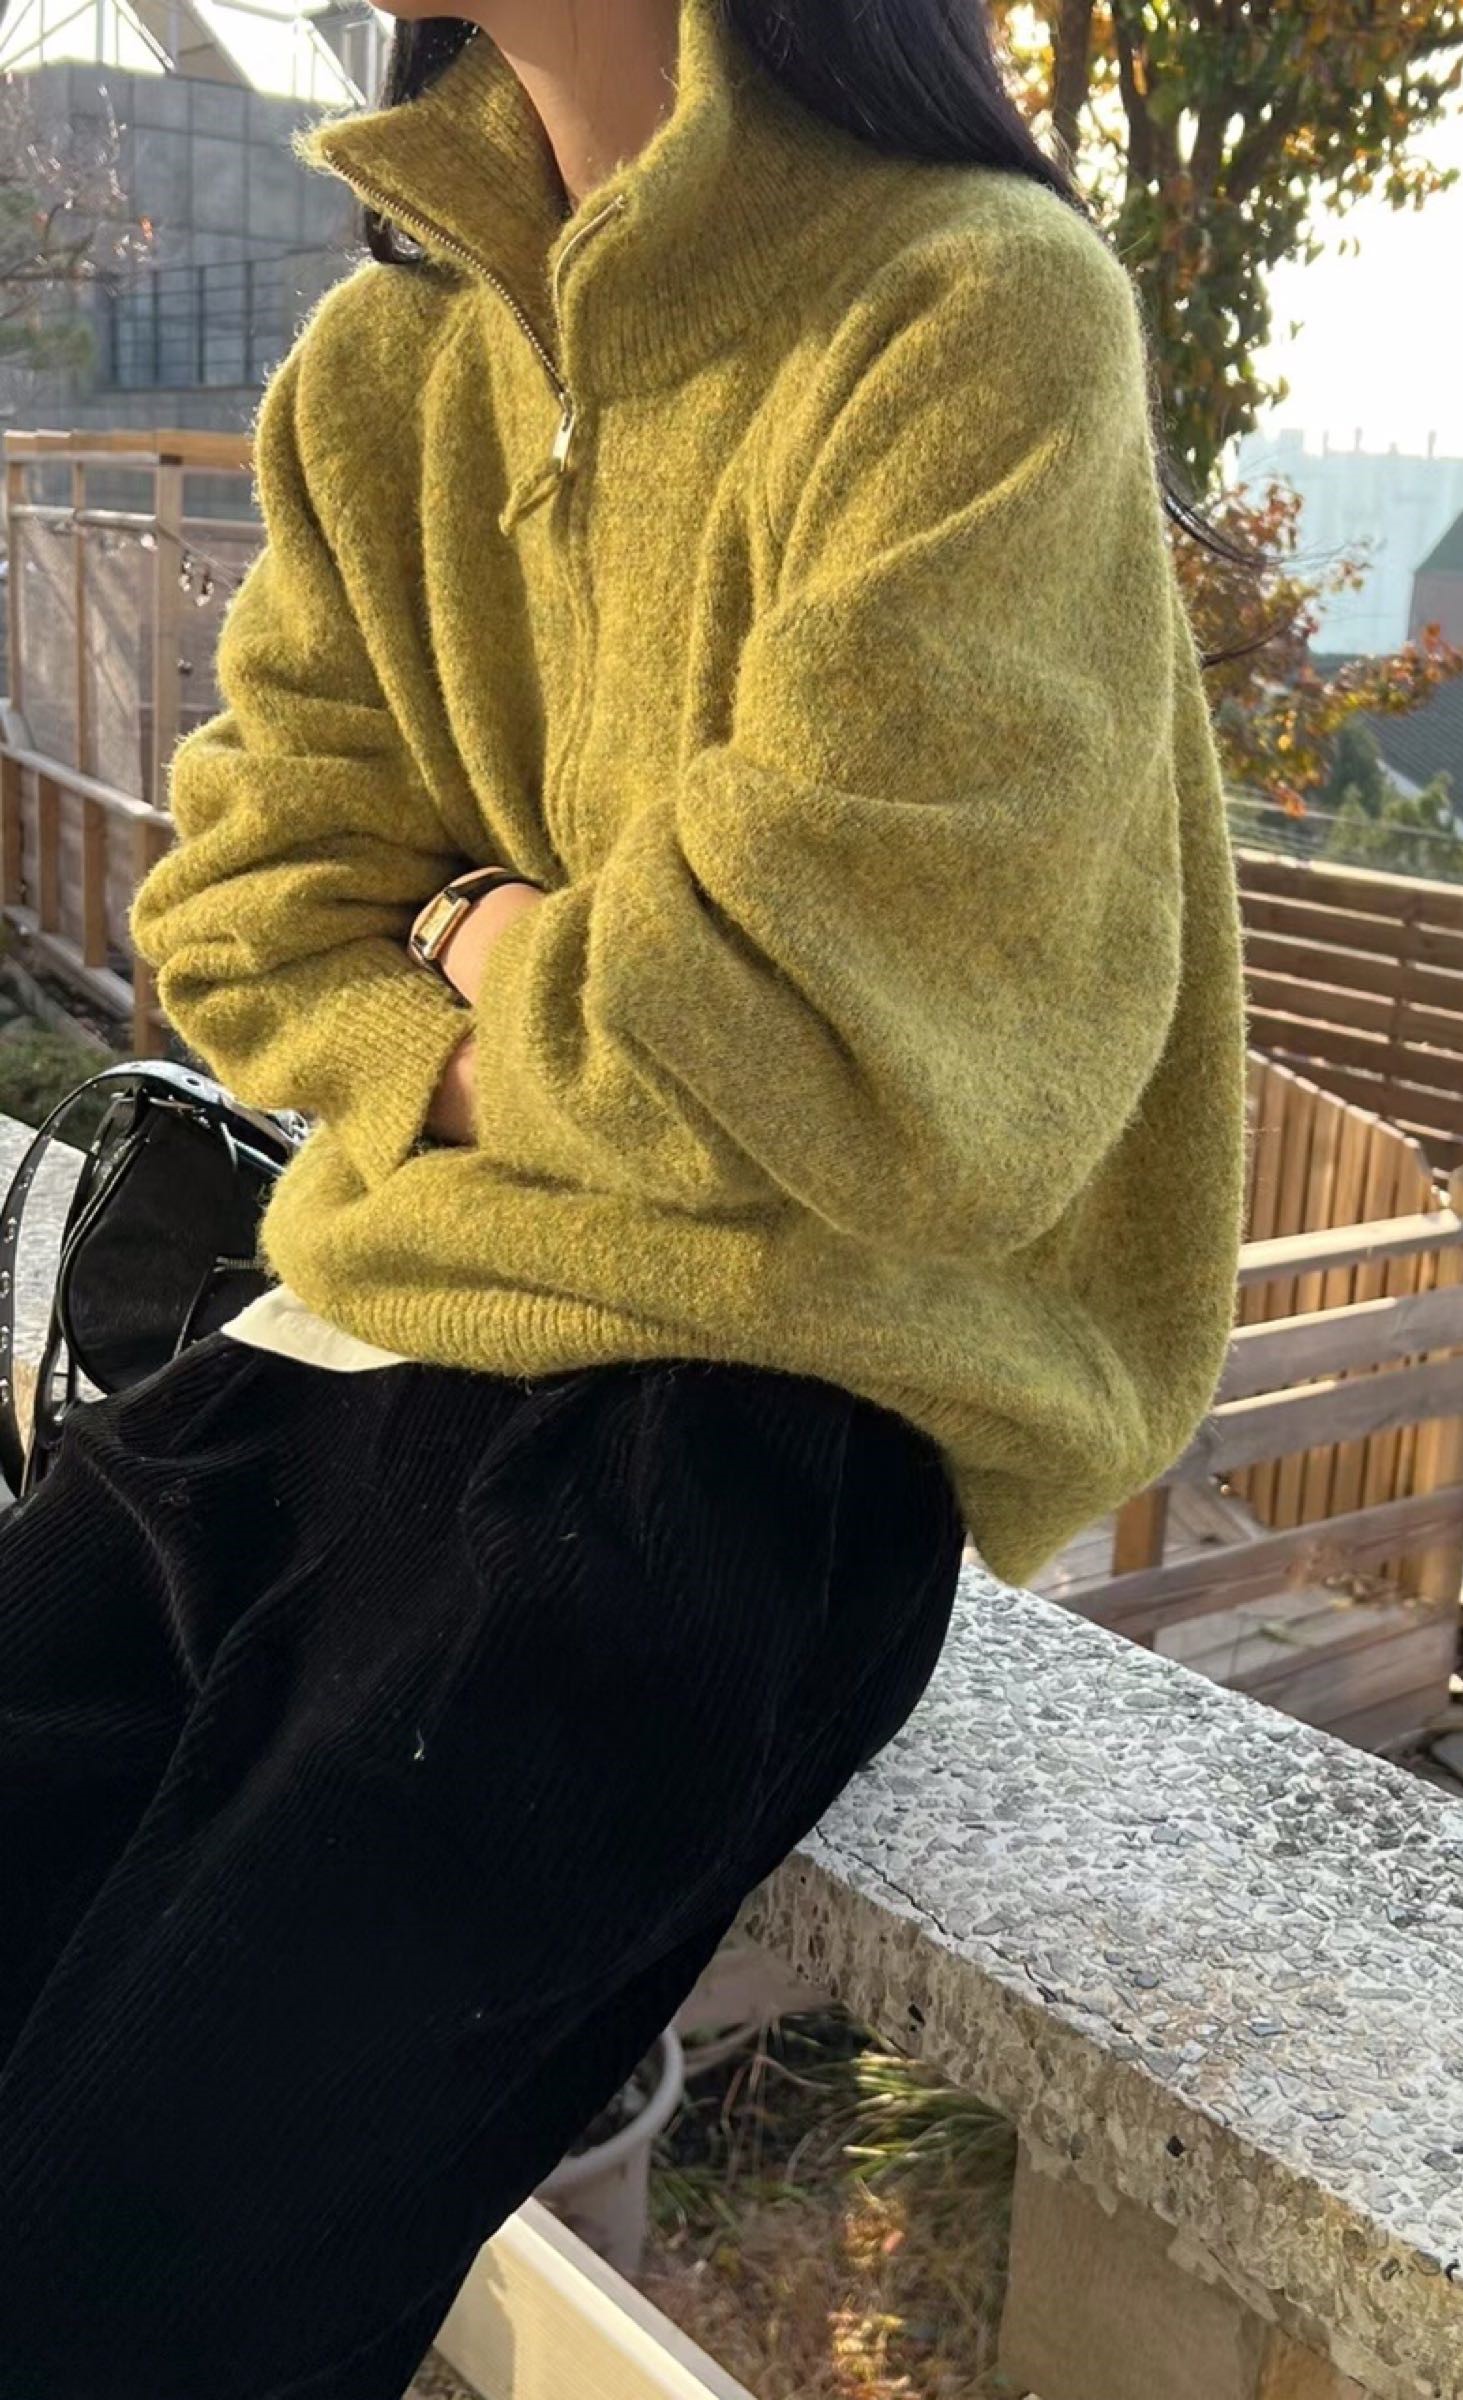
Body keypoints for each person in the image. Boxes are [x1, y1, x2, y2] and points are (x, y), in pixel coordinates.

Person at [0, 0, 1246, 2389]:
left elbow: (877, 1049)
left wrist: (458, 934)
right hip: (319, 1359)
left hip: (727, 1442)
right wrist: (552, 997)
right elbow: (240, 909)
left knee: (102, 2295)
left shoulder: (967, 313)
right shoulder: (387, 370)